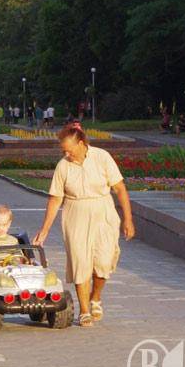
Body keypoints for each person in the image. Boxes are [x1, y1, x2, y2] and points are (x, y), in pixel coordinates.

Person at [32, 124, 135, 328]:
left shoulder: (102, 157)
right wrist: (44, 230)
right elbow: (55, 199)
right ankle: (85, 310)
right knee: (80, 262)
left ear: (81, 143)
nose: (66, 154)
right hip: (75, 215)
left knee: (104, 262)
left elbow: (120, 189)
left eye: (68, 150)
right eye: (63, 150)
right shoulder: (63, 166)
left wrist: (128, 219)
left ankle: (95, 297)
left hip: (103, 212)